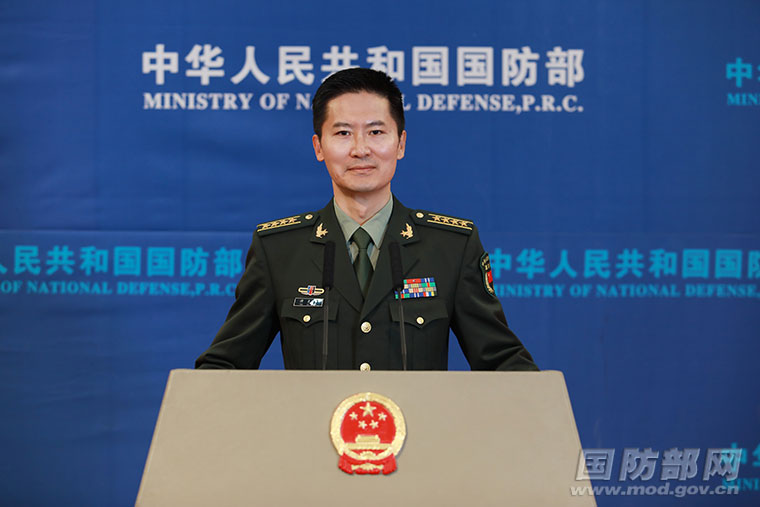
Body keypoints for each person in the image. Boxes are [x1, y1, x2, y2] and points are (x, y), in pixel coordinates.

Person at [195, 68, 537, 371]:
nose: (360, 149)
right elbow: (223, 365)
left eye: (376, 132)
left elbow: (504, 362)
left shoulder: (450, 246)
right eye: (343, 133)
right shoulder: (280, 249)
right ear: (318, 147)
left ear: (400, 143)